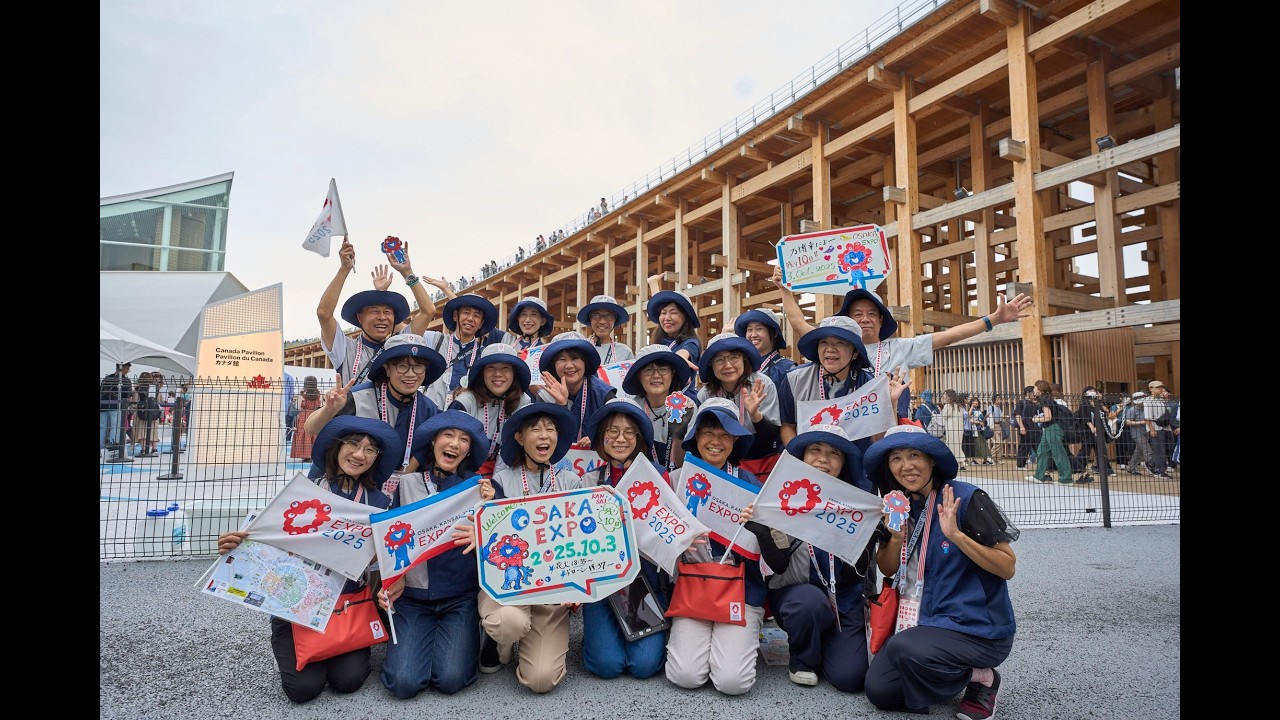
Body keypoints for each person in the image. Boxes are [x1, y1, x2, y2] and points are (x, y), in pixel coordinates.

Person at [216, 416, 401, 703]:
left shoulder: (379, 503)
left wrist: (379, 557)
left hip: (348, 603)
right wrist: (238, 543)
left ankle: (332, 649)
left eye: (370, 449)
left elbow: (382, 562)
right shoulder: (303, 491)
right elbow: (270, 536)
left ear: (376, 458)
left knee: (348, 681)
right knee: (303, 689)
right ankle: (290, 634)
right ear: (336, 447)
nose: (359, 454)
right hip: (298, 602)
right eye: (353, 444)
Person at [863, 424, 1019, 719]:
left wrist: (957, 536)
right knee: (879, 689)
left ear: (931, 460)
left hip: (977, 630)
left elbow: (1007, 566)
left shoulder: (964, 498)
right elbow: (887, 567)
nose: (906, 466)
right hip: (922, 624)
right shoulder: (897, 504)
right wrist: (895, 537)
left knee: (903, 648)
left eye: (914, 455)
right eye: (896, 458)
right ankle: (957, 675)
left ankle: (982, 678)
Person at [773, 268, 1032, 419]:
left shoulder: (899, 348)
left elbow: (951, 335)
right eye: (857, 314)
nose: (865, 319)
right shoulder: (833, 348)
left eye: (872, 314)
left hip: (891, 430)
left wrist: (993, 320)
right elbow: (799, 323)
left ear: (882, 320)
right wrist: (783, 288)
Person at [740, 424, 879, 691]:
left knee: (849, 678)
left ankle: (825, 641)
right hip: (797, 595)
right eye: (814, 450)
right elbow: (779, 565)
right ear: (802, 457)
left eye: (833, 453)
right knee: (809, 604)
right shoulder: (783, 498)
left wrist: (868, 540)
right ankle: (803, 658)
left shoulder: (856, 506)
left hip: (845, 599)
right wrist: (762, 532)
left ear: (844, 463)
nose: (823, 459)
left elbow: (853, 575)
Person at [380, 410, 499, 698]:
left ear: (469, 450)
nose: (455, 444)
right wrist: (387, 582)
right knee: (404, 683)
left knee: (451, 679)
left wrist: (492, 513)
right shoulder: (406, 484)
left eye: (463, 439)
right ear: (433, 442)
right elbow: (388, 539)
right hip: (412, 597)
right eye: (448, 436)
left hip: (459, 597)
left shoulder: (480, 488)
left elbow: (500, 544)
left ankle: (470, 635)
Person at [664, 397, 766, 696]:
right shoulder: (675, 481)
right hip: (691, 585)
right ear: (696, 436)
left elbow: (772, 555)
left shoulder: (752, 486)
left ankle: (733, 642)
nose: (716, 441)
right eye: (708, 432)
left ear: (735, 441)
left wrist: (758, 526)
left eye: (725, 435)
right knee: (685, 676)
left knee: (733, 682)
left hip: (740, 588)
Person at [480, 402, 582, 690]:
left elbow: (586, 542)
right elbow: (488, 538)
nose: (544, 436)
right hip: (509, 587)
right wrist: (485, 508)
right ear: (519, 437)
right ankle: (499, 638)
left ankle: (525, 636)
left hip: (551, 595)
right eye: (535, 429)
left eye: (550, 429)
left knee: (540, 680)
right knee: (509, 622)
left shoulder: (572, 482)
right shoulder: (499, 482)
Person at [579, 397, 671, 680]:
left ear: (640, 437)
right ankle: (597, 635)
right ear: (601, 438)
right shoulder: (589, 480)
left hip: (643, 583)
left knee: (644, 667)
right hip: (601, 584)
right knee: (606, 666)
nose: (620, 439)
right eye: (612, 431)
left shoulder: (659, 477)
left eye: (629, 432)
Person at [304, 335, 447, 488]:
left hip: (397, 492)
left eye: (418, 366)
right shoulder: (358, 397)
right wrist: (329, 410)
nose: (411, 374)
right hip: (344, 487)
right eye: (402, 366)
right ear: (387, 368)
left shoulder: (428, 409)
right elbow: (310, 428)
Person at [317, 238, 447, 386]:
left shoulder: (400, 343)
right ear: (360, 317)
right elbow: (324, 313)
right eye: (374, 311)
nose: (382, 317)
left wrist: (407, 272)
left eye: (387, 312)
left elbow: (428, 310)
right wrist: (344, 269)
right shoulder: (345, 348)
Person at [777, 315, 905, 452]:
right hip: (809, 464)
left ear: (855, 352)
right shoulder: (795, 379)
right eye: (824, 342)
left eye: (840, 342)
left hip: (855, 466)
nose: (830, 348)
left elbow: (879, 441)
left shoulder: (871, 384)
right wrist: (800, 457)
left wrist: (890, 403)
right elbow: (787, 425)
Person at [696, 332, 782, 482]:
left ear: (744, 358)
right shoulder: (705, 394)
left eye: (734, 357)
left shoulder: (762, 384)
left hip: (759, 463)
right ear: (711, 365)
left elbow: (772, 437)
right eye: (719, 360)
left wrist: (755, 415)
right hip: (720, 462)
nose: (728, 365)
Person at [448, 343, 533, 477]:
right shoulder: (465, 402)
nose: (498, 374)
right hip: (464, 472)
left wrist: (498, 481)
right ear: (482, 373)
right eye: (491, 368)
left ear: (514, 373)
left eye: (505, 368)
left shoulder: (524, 401)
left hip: (508, 473)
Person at [620, 344, 698, 474]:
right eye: (648, 370)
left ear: (672, 373)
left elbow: (683, 465)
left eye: (662, 369)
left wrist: (678, 434)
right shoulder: (631, 409)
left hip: (676, 478)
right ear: (639, 376)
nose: (656, 375)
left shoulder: (686, 406)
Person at [536, 331, 618, 448]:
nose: (569, 365)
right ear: (554, 365)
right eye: (562, 359)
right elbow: (540, 437)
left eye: (575, 358)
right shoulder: (545, 395)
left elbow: (617, 432)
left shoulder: (604, 394)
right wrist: (562, 405)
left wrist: (599, 437)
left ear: (585, 362)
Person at [421, 294, 502, 409]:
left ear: (481, 323)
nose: (470, 319)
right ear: (455, 316)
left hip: (464, 417)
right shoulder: (435, 340)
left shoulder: (484, 355)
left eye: (476, 316)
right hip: (431, 415)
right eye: (466, 313)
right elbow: (409, 331)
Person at [644, 281, 701, 396]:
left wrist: (678, 361)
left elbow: (683, 353)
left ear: (686, 317)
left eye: (673, 312)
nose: (667, 318)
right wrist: (654, 285)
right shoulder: (660, 341)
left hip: (681, 404)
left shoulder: (691, 343)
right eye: (663, 313)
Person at [1025, 379, 1079, 484]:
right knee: (1042, 451)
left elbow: (1048, 417)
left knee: (1058, 453)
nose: (1034, 389)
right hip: (1051, 429)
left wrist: (1036, 419)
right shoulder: (1048, 399)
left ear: (1040, 389)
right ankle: (1039, 476)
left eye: (1036, 388)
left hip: (1052, 428)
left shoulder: (1045, 401)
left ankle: (1065, 478)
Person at [733, 308, 796, 390]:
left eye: (759, 329)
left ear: (775, 333)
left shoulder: (787, 368)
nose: (753, 335)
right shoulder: (741, 366)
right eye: (749, 330)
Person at [577, 294, 635, 365]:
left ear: (615, 320)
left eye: (609, 316)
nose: (602, 322)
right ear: (590, 319)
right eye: (596, 315)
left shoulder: (625, 352)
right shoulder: (580, 349)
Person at [101, 363, 134, 459]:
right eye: (127, 369)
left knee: (102, 428)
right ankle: (113, 448)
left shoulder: (107, 378)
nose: (128, 371)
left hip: (103, 406)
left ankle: (101, 448)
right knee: (115, 428)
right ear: (123, 368)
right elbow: (127, 396)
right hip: (116, 406)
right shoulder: (125, 380)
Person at [1143, 380, 1175, 478]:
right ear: (1151, 389)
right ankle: (1160, 471)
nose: (1160, 389)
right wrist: (1151, 429)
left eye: (1161, 387)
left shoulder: (1162, 400)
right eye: (1158, 387)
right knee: (1159, 449)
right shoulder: (1148, 401)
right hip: (1156, 427)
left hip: (1166, 427)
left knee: (1169, 447)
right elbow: (1147, 417)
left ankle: (1150, 462)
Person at [289, 376, 323, 462]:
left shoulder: (302, 395)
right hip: (315, 415)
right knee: (315, 434)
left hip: (303, 417)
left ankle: (306, 455)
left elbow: (297, 407)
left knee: (304, 434)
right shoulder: (320, 394)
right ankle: (314, 454)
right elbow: (322, 406)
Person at [1123, 391, 1155, 475]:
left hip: (1146, 432)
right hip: (1137, 433)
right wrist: (1142, 422)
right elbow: (1128, 422)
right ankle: (1152, 467)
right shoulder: (1132, 410)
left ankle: (1131, 467)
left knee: (1139, 451)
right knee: (1147, 450)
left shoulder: (1146, 409)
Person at [132, 371, 162, 457]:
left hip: (142, 412)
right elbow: (159, 401)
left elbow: (135, 402)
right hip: (154, 412)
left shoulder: (138, 389)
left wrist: (132, 409)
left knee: (142, 431)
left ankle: (143, 449)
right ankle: (154, 448)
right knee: (153, 430)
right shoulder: (156, 388)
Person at [1013, 385, 1040, 470]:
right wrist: (1021, 427)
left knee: (1038, 447)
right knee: (1024, 446)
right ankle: (1020, 465)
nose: (1035, 394)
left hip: (1035, 429)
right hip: (1026, 427)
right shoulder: (1021, 402)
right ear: (1028, 393)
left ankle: (1045, 465)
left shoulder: (1035, 404)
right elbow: (1018, 415)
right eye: (1033, 392)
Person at [940, 390, 966, 466]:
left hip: (951, 429)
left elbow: (944, 416)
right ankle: (961, 462)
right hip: (959, 429)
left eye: (945, 395)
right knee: (958, 445)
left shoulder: (948, 406)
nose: (944, 397)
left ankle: (957, 461)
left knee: (951, 446)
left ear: (948, 396)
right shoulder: (959, 406)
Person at [967, 396, 993, 466]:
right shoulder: (971, 410)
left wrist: (985, 417)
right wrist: (972, 407)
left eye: (976, 401)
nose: (976, 402)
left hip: (980, 429)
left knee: (983, 444)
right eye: (974, 401)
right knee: (977, 445)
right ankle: (974, 460)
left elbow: (982, 421)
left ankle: (984, 460)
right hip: (974, 430)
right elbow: (969, 417)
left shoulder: (978, 410)